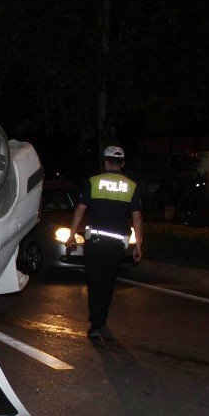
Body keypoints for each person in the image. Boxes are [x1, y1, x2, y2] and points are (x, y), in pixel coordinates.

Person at [65, 145, 143, 338]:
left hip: (96, 243)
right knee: (108, 282)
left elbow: (80, 210)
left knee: (95, 282)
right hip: (116, 245)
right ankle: (103, 319)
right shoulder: (131, 186)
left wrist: (71, 235)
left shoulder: (93, 182)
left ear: (106, 161)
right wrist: (139, 245)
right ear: (122, 163)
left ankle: (95, 324)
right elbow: (137, 218)